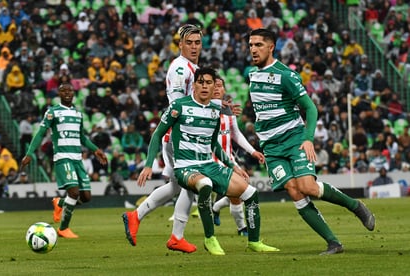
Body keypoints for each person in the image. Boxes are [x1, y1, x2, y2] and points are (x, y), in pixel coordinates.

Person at [247, 28, 375, 255]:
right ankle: (333, 243)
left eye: (258, 45)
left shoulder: (286, 75)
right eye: (250, 45)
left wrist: (307, 139)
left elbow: (310, 108)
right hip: (271, 147)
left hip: (294, 139)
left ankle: (355, 206)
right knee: (294, 191)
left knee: (307, 187)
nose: (253, 49)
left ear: (271, 47)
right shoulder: (252, 74)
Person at [136, 67, 279, 255]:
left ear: (214, 87)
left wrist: (232, 165)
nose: (204, 86)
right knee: (205, 185)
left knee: (251, 193)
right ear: (194, 85)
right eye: (201, 82)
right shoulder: (178, 106)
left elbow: (214, 144)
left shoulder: (215, 111)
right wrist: (148, 165)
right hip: (185, 167)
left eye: (209, 82)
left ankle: (253, 242)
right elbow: (157, 135)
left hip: (210, 165)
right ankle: (210, 238)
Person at [122, 24, 203, 253]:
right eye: (189, 42)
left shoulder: (191, 67)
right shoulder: (180, 69)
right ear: (180, 45)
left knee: (177, 186)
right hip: (180, 135)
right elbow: (178, 105)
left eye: (197, 42)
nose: (194, 47)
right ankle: (176, 236)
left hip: (183, 134)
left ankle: (135, 215)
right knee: (190, 184)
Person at [20, 83, 108, 238]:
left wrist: (96, 150)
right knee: (73, 192)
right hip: (63, 157)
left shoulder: (78, 114)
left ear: (74, 94)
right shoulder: (52, 112)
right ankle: (63, 228)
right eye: (64, 91)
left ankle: (60, 203)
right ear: (59, 94)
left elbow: (82, 137)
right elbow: (40, 133)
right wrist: (29, 154)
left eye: (70, 91)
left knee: (86, 197)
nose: (67, 93)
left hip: (77, 159)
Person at [211, 77, 265, 236]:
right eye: (214, 85)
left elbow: (236, 134)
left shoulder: (228, 111)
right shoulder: (203, 109)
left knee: (239, 191)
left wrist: (252, 151)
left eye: (220, 86)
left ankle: (241, 227)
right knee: (237, 191)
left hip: (228, 159)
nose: (216, 89)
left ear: (224, 90)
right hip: (208, 160)